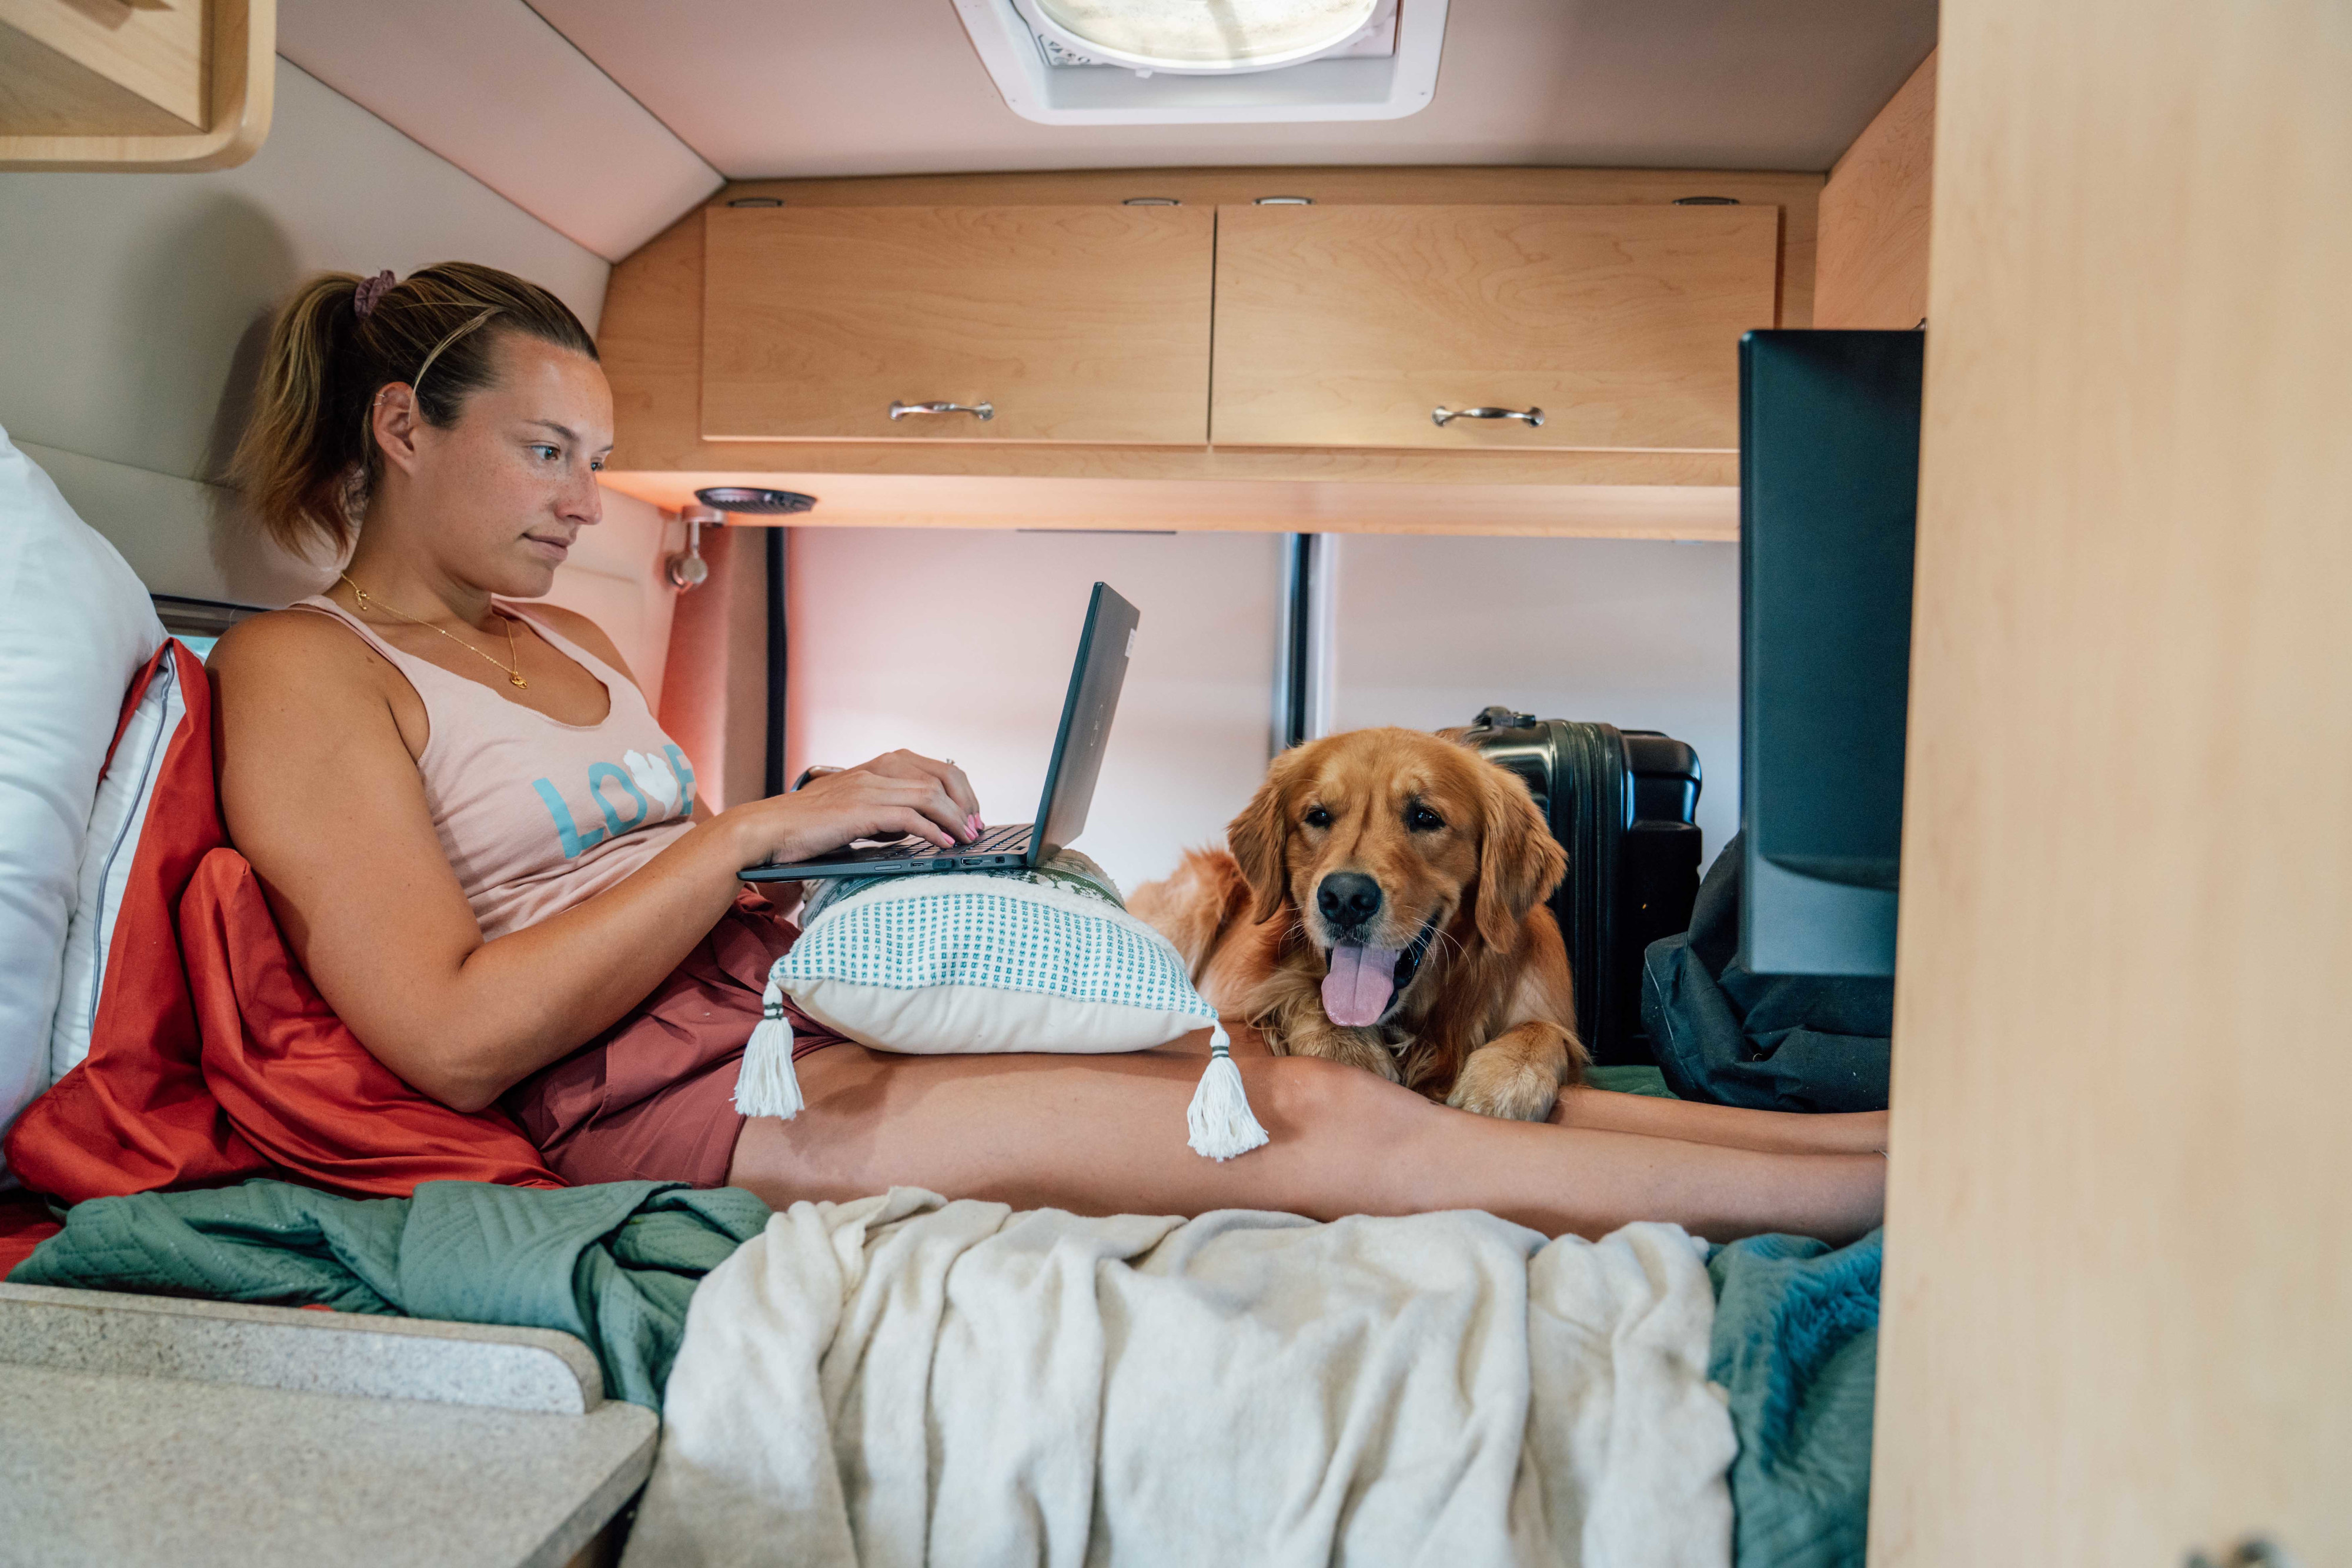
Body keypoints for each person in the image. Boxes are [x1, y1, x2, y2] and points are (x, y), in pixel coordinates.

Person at [212, 262, 1886, 1244]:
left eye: (600, 459)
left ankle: (1891, 1145)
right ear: (400, 429)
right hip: (671, 1095)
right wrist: (746, 836)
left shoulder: (567, 635)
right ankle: (1877, 1200)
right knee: (1287, 1106)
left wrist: (845, 844)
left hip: (786, 983)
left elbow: (665, 869)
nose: (588, 502)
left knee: (1293, 1070)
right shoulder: (307, 669)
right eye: (549, 453)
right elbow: (443, 1034)